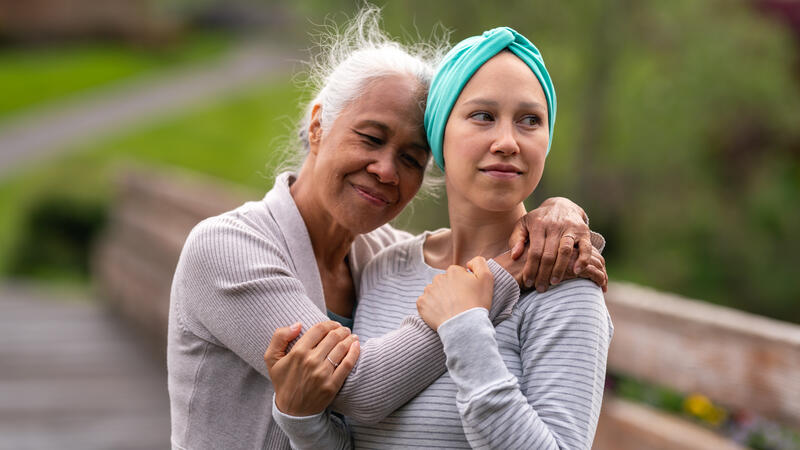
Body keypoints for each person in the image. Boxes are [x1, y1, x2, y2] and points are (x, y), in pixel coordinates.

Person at [167, 7, 606, 449]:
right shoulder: (229, 247)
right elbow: (358, 390)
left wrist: (563, 211)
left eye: (412, 158)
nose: (385, 170)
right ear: (318, 125)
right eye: (372, 138)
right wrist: (493, 284)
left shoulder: (376, 257)